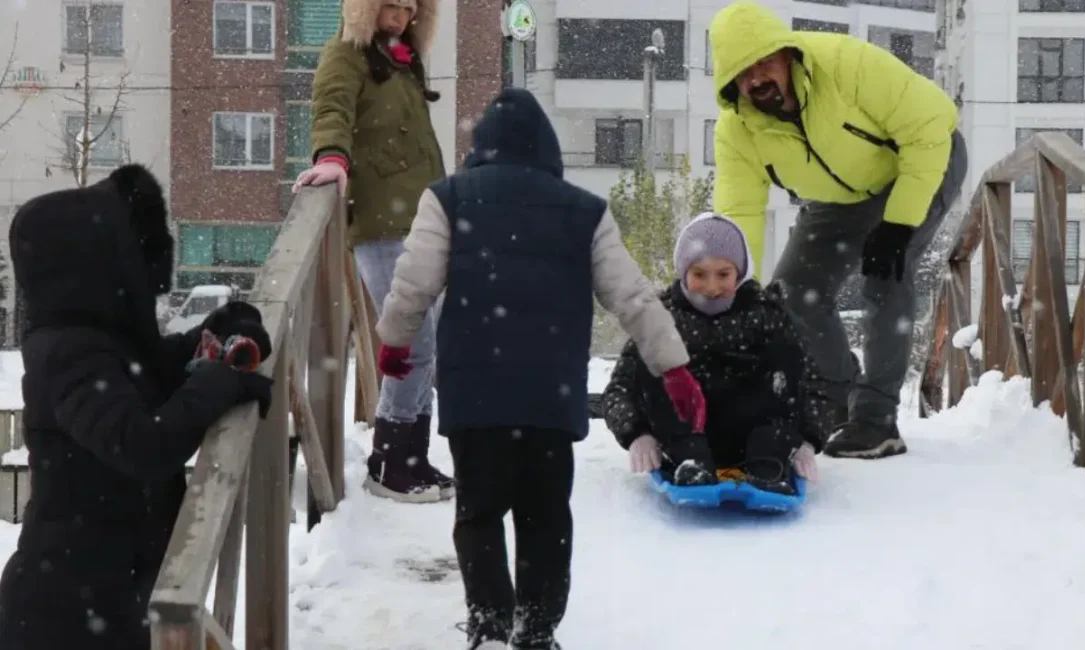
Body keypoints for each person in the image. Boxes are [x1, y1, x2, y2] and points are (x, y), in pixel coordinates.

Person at [373, 88, 705, 650]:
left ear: (482, 148)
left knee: (478, 514)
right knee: (545, 516)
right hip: (549, 398)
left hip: (475, 394)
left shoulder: (449, 198)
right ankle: (537, 631)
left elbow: (413, 283)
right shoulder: (584, 210)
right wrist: (673, 366)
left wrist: (394, 342)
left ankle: (490, 626)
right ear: (547, 149)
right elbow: (634, 299)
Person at [0, 164, 274, 650]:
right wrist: (218, 384)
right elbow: (141, 444)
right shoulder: (68, 352)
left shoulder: (101, 340)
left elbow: (156, 373)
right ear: (92, 264)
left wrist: (228, 328)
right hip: (63, 614)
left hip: (106, 594)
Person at [708, 0, 968, 459]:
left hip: (922, 163)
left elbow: (930, 128)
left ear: (788, 54)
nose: (756, 79)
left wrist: (899, 223)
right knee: (791, 292)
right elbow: (739, 212)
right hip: (838, 198)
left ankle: (876, 419)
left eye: (764, 62)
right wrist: (732, 285)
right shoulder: (737, 131)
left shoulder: (849, 65)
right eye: (741, 74)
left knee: (885, 273)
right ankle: (837, 398)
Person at [292, 0, 452, 502]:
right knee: (410, 342)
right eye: (389, 6)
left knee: (426, 337)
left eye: (409, 9)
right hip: (382, 222)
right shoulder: (347, 53)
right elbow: (331, 107)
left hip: (420, 220)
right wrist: (333, 159)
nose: (399, 16)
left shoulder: (401, 60)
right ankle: (391, 463)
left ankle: (412, 456)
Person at [603, 213, 827, 492]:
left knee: (786, 358)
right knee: (657, 363)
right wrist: (637, 433)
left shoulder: (767, 315)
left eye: (723, 274)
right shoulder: (661, 317)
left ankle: (769, 461)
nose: (712, 287)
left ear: (741, 272)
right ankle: (690, 463)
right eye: (699, 274)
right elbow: (619, 389)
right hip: (684, 434)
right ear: (684, 273)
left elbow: (815, 382)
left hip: (758, 433)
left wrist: (807, 439)